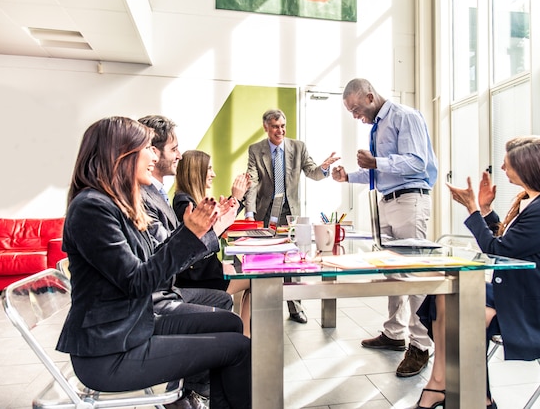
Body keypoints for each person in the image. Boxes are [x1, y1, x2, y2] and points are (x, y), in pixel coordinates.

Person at [56, 116, 251, 409]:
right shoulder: (91, 208)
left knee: (231, 323)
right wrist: (190, 234)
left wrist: (195, 233)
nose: (154, 155)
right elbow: (138, 281)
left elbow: (152, 264)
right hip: (111, 352)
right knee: (239, 348)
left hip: (133, 328)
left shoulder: (114, 204)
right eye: (148, 148)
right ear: (122, 154)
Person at [415, 136, 540, 409]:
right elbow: (512, 243)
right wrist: (487, 211)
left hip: (538, 309)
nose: (502, 169)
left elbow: (496, 248)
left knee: (464, 310)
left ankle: (480, 398)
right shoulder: (536, 204)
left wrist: (473, 210)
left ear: (528, 168)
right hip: (520, 295)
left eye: (507, 164)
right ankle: (440, 383)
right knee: (444, 294)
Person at [331, 78, 438, 377]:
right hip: (388, 201)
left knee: (415, 275)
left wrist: (376, 160)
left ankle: (421, 345)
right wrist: (348, 178)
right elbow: (379, 173)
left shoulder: (405, 116)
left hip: (410, 201)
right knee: (393, 272)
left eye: (355, 109)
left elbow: (417, 162)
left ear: (369, 96)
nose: (355, 116)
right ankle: (394, 333)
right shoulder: (378, 126)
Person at [245, 108, 340, 324]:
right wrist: (250, 214)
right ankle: (264, 306)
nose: (280, 131)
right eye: (275, 127)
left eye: (282, 126)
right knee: (264, 259)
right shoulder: (255, 150)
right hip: (266, 211)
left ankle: (295, 308)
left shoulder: (298, 147)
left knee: (292, 260)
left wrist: (324, 168)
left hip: (290, 213)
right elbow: (252, 181)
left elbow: (312, 173)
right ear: (266, 128)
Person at [138, 114, 233, 311]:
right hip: (165, 292)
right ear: (154, 153)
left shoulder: (160, 194)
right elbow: (169, 255)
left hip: (171, 286)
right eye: (174, 149)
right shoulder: (156, 198)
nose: (179, 155)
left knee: (226, 303)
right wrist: (214, 229)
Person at [173, 149, 252, 337]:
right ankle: (245, 339)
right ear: (196, 171)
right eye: (209, 169)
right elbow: (196, 247)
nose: (213, 174)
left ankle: (243, 336)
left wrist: (233, 203)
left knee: (248, 278)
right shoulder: (185, 204)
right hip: (199, 279)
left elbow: (207, 234)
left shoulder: (186, 199)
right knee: (255, 281)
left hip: (201, 274)